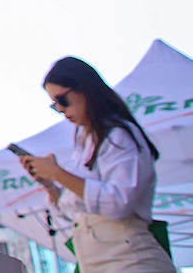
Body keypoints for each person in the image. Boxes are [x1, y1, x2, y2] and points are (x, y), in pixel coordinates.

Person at [20, 57, 175, 272]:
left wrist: (58, 173)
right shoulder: (86, 141)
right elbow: (77, 208)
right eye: (55, 105)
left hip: (131, 261)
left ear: (85, 90)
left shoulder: (119, 136)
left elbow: (119, 203)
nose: (61, 109)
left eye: (62, 100)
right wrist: (50, 184)